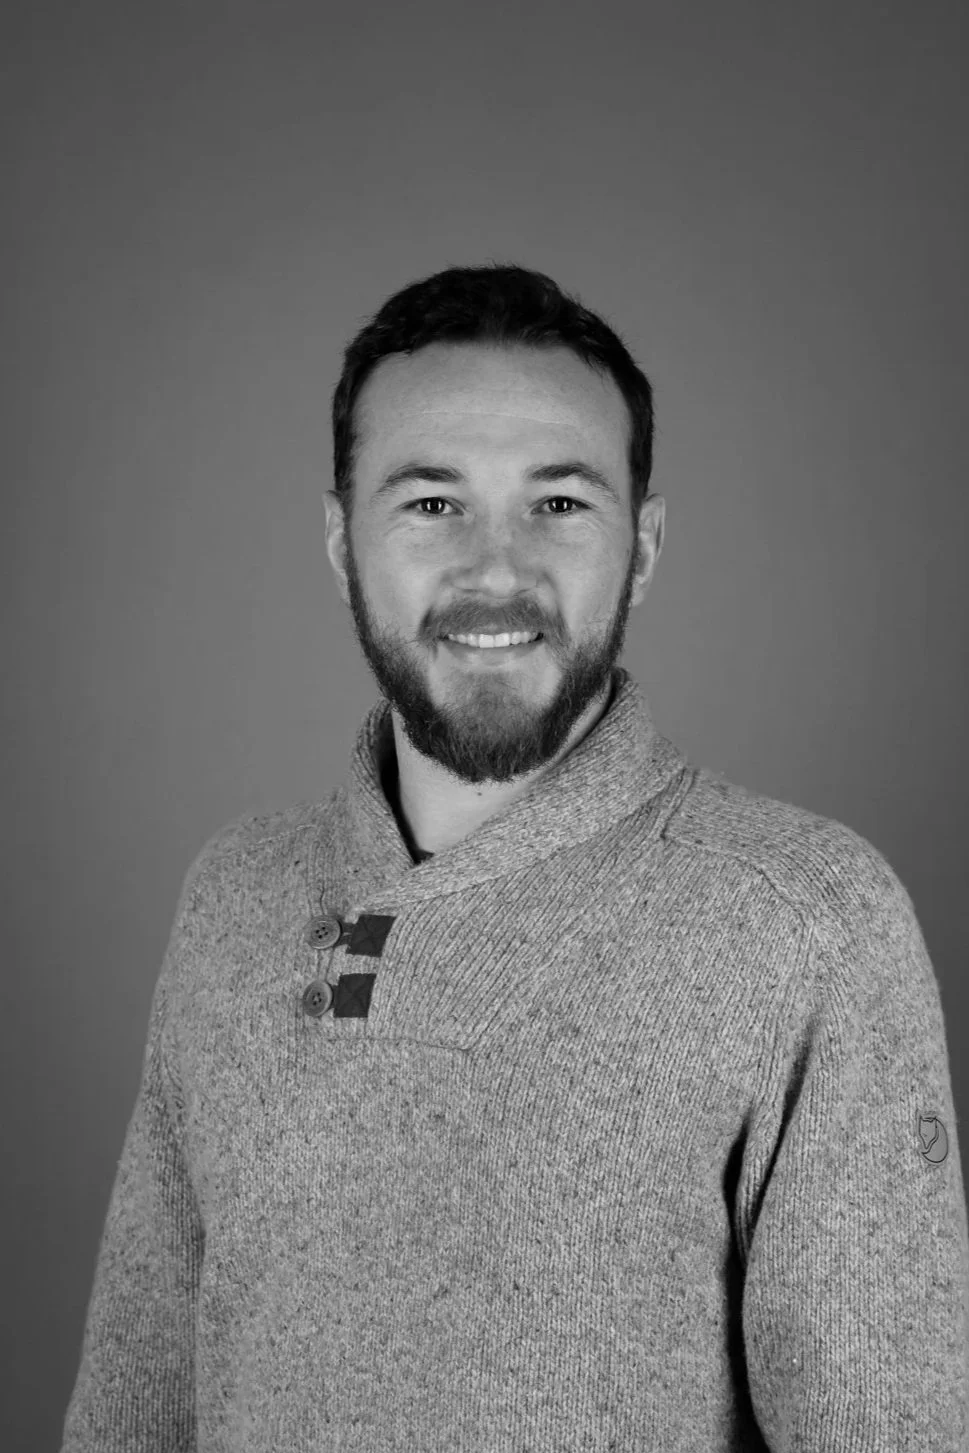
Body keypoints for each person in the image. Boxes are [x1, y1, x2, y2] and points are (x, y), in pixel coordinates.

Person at [61, 262, 969, 1450]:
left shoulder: (809, 922)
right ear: (341, 541)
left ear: (644, 545)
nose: (496, 570)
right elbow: (132, 1402)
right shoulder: (236, 892)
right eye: (434, 503)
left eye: (560, 502)